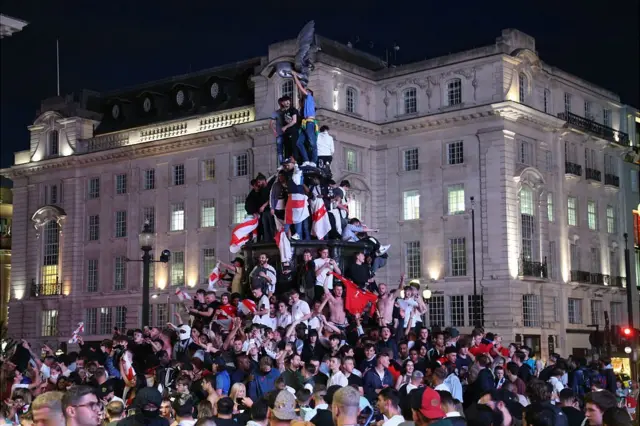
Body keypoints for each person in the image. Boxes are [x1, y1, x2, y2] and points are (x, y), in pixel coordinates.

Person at [292, 71, 318, 166]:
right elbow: (300, 91)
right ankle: (306, 160)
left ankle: (314, 162)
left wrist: (295, 76)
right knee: (299, 143)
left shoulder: (309, 97)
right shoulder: (306, 103)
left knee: (312, 143)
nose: (305, 91)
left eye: (306, 91)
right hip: (305, 123)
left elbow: (300, 87)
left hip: (310, 123)